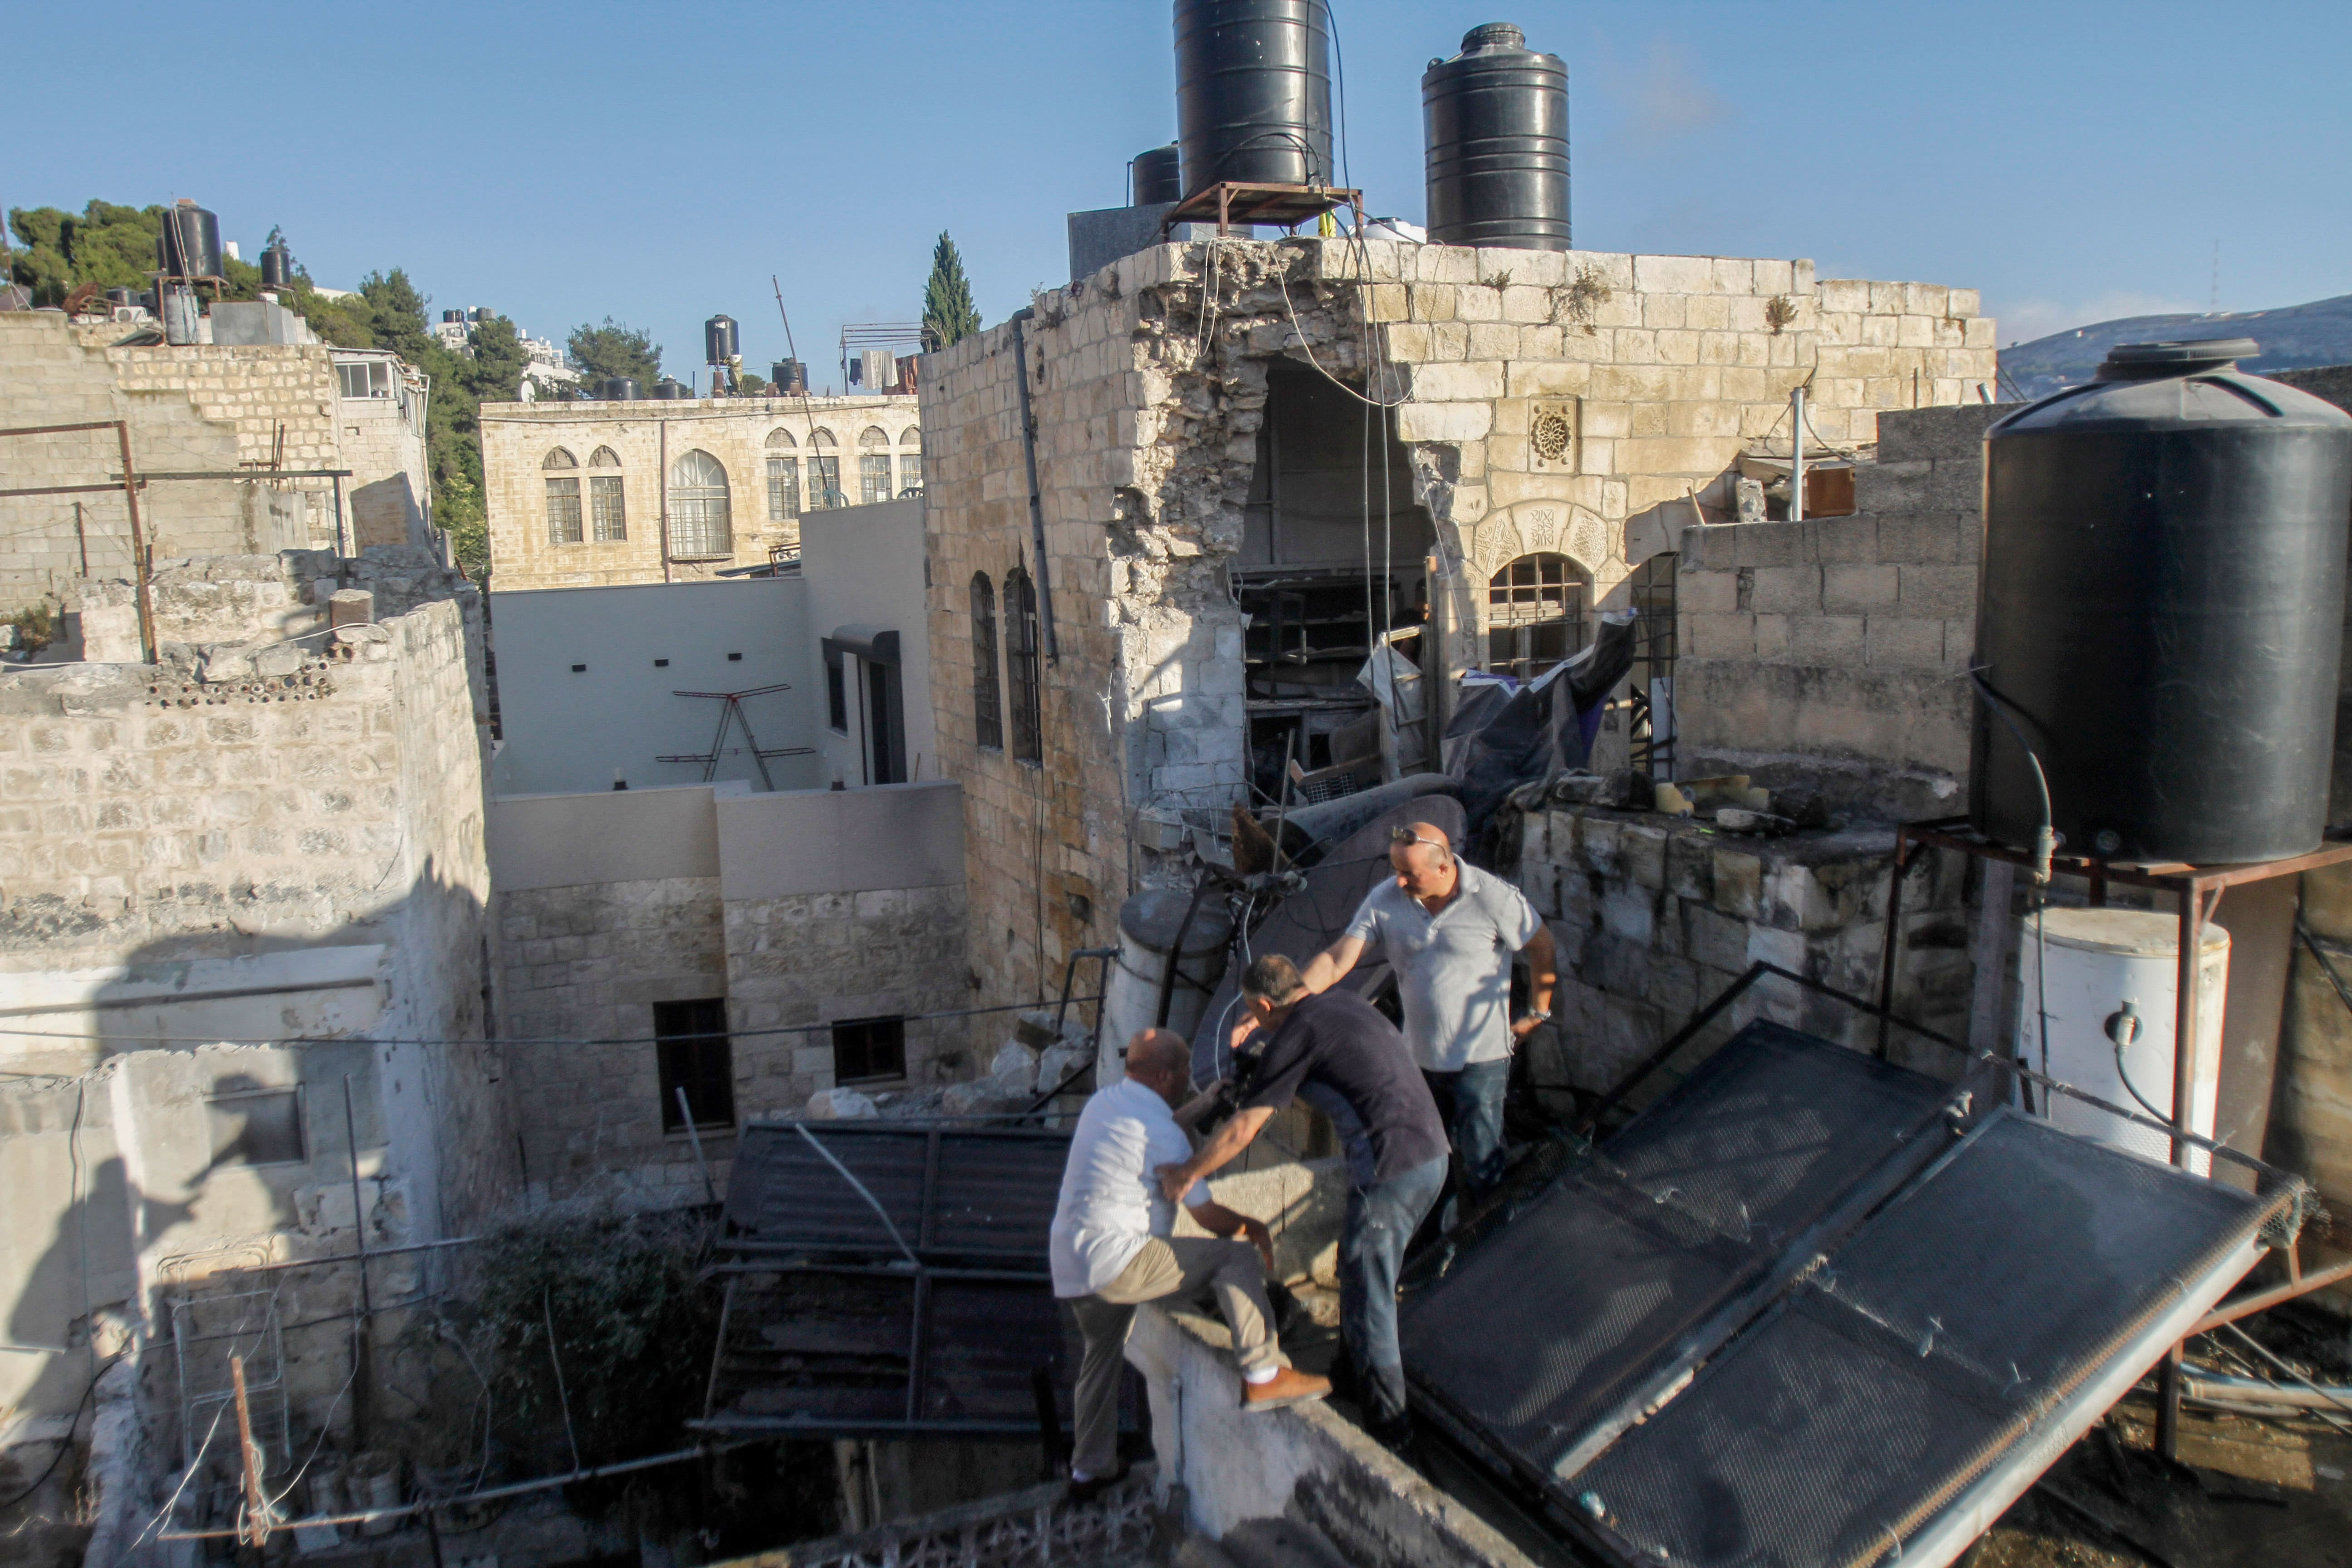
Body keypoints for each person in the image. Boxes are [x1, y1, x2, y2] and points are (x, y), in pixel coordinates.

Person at [1157, 954, 1449, 1447]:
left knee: (1371, 1295)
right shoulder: (1343, 1006)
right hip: (1431, 1157)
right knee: (1357, 1269)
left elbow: (1245, 1129)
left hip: (1390, 1168)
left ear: (1265, 1004)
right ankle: (1350, 1377)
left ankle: (1390, 1430)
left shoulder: (1295, 1037)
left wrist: (1188, 1173)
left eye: (1256, 1012)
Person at [1050, 1027, 1330, 1500]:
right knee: (1235, 1258)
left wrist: (1204, 1107)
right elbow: (1212, 1220)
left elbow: (1158, 1124)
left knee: (1099, 1362)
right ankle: (1263, 1374)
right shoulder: (1163, 1136)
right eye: (1182, 1072)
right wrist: (1252, 1226)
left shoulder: (1106, 1103)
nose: (1188, 1078)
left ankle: (1089, 1470)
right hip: (1122, 1260)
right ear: (1164, 1075)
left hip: (1073, 1265)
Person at [1295, 820, 1554, 1200]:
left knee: (1483, 1163)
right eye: (1396, 872)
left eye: (1410, 875)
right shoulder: (1386, 898)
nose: (1400, 882)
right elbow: (1338, 960)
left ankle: (1490, 1238)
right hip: (1419, 1060)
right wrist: (1289, 999)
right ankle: (1436, 1246)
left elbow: (1542, 946)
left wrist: (1538, 1013)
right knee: (1427, 1165)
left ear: (1444, 869)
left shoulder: (1493, 898)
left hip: (1480, 1063)